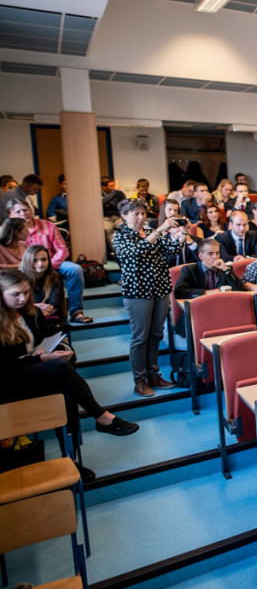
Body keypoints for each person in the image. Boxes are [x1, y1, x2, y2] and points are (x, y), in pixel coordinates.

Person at [0, 270, 138, 475]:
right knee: (58, 369)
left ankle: (71, 459)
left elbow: (46, 341)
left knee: (67, 397)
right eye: (15, 294)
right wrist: (40, 359)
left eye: (27, 293)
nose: (23, 298)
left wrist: (62, 350)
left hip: (36, 373)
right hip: (9, 382)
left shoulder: (33, 313)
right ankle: (101, 416)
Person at [112, 198, 186, 397]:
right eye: (135, 214)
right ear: (124, 216)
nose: (140, 217)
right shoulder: (120, 236)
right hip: (138, 291)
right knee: (140, 338)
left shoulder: (149, 233)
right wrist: (160, 230)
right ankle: (140, 380)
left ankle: (154, 375)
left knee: (156, 335)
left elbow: (171, 251)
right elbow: (137, 252)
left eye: (143, 214)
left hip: (160, 288)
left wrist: (183, 234)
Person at [8, 199, 91, 323]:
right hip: (25, 269)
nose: (23, 213)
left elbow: (62, 249)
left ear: (31, 211)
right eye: (18, 211)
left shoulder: (48, 225)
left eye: (25, 210)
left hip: (52, 262)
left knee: (75, 269)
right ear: (10, 215)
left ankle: (76, 311)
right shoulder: (8, 231)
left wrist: (49, 265)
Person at [172, 237, 245, 302]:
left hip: (222, 306)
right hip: (199, 308)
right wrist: (206, 293)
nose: (215, 256)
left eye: (217, 253)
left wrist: (225, 269)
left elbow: (240, 290)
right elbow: (179, 292)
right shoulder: (190, 270)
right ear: (201, 256)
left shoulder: (225, 269)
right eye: (210, 254)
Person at [20, 246, 65, 324]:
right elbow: (19, 305)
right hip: (26, 319)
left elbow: (54, 305)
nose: (40, 264)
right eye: (35, 260)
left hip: (50, 319)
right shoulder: (19, 279)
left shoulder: (56, 278)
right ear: (27, 261)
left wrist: (35, 308)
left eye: (44, 259)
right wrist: (36, 308)